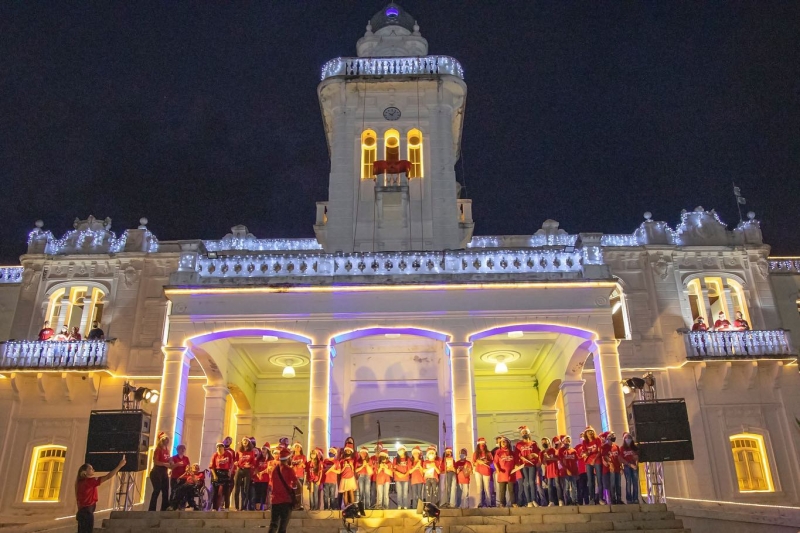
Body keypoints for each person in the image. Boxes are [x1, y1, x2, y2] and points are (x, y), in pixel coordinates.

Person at [75, 456, 126, 533]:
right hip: (87, 512)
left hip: (82, 512)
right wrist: (120, 466)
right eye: (91, 469)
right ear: (84, 472)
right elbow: (108, 476)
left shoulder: (79, 483)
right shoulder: (89, 482)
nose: (93, 470)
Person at [268, 448, 298, 533]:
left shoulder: (274, 470)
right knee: (283, 526)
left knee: (273, 524)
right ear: (288, 458)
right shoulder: (289, 469)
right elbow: (295, 483)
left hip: (275, 501)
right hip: (286, 500)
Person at [515, 426, 541, 507]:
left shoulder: (533, 443)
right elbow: (516, 455)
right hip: (524, 465)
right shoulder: (518, 444)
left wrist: (534, 455)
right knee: (526, 483)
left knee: (532, 482)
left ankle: (534, 500)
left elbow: (538, 454)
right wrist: (519, 461)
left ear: (528, 433)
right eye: (523, 433)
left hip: (532, 464)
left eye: (525, 432)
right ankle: (528, 501)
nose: (524, 434)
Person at [149, 432, 171, 511]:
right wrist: (164, 464)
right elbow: (156, 461)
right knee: (157, 489)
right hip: (157, 471)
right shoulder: (158, 450)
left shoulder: (167, 450)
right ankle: (152, 509)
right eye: (165, 440)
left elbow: (168, 461)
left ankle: (164, 508)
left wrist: (170, 463)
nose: (167, 442)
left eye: (167, 440)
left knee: (165, 491)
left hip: (164, 472)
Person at [210, 442, 234, 511]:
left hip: (225, 472)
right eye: (218, 447)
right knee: (215, 491)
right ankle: (214, 507)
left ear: (223, 448)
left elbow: (232, 463)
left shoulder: (228, 454)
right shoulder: (215, 455)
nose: (219, 449)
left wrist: (230, 472)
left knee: (227, 491)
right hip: (217, 472)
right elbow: (212, 466)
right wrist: (214, 475)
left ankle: (226, 507)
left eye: (220, 447)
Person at [581, 427, 603, 505]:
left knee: (599, 480)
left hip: (597, 461)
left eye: (591, 431)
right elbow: (584, 452)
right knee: (590, 481)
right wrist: (584, 454)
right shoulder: (584, 442)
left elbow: (600, 451)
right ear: (586, 434)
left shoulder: (597, 440)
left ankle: (600, 498)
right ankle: (592, 499)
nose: (590, 433)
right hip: (588, 462)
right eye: (588, 432)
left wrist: (594, 459)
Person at [493, 436, 516, 508]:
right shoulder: (498, 452)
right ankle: (502, 503)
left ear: (508, 443)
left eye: (505, 441)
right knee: (502, 490)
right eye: (502, 442)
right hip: (502, 474)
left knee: (511, 490)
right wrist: (498, 469)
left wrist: (516, 468)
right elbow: (495, 462)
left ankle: (513, 503)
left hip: (511, 474)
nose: (503, 443)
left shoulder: (512, 452)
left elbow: (516, 462)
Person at [234, 437, 256, 510]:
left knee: (245, 490)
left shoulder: (252, 452)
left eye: (246, 441)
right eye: (244, 440)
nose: (245, 442)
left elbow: (253, 462)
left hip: (247, 471)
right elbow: (235, 460)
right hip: (239, 470)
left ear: (249, 443)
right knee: (237, 489)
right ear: (242, 442)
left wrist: (250, 465)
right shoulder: (239, 451)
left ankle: (243, 507)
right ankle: (237, 507)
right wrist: (236, 463)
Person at [601, 432, 621, 505]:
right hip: (610, 469)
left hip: (617, 468)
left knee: (618, 485)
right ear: (607, 438)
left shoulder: (616, 446)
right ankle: (613, 499)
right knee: (612, 485)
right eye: (611, 436)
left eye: (614, 435)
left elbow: (619, 457)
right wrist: (609, 464)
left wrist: (621, 467)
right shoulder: (604, 447)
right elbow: (604, 457)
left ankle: (619, 499)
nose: (613, 437)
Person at [542, 436, 563, 506]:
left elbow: (558, 459)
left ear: (549, 442)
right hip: (548, 471)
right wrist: (545, 458)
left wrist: (549, 458)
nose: (544, 443)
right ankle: (551, 501)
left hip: (555, 470)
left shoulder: (553, 450)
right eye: (543, 442)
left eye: (545, 441)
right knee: (549, 486)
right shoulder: (542, 452)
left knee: (558, 485)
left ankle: (560, 500)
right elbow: (544, 463)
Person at [619, 433, 639, 504]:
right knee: (628, 482)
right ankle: (629, 499)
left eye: (629, 438)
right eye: (626, 438)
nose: (628, 439)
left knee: (635, 482)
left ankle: (635, 498)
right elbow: (620, 459)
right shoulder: (622, 448)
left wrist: (635, 459)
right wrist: (628, 464)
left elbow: (637, 456)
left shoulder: (634, 448)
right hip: (627, 466)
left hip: (634, 465)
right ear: (624, 439)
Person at [472, 437, 492, 508]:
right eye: (480, 444)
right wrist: (478, 462)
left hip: (486, 471)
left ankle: (488, 503)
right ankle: (480, 502)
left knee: (487, 487)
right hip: (478, 471)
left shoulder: (488, 453)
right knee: (479, 487)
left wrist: (486, 462)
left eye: (483, 444)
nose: (482, 446)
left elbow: (491, 462)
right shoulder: (475, 453)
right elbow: (473, 463)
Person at [253, 443, 273, 511]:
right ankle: (257, 507)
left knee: (264, 493)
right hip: (258, 479)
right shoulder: (258, 458)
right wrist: (257, 473)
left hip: (266, 479)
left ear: (267, 450)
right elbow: (255, 467)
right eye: (262, 449)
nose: (263, 450)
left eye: (264, 449)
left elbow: (269, 468)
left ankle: (264, 507)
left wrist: (262, 473)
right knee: (257, 492)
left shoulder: (270, 459)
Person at [559, 436, 578, 505]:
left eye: (569, 440)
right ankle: (567, 501)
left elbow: (576, 461)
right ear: (563, 442)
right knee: (566, 487)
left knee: (574, 486)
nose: (567, 441)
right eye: (566, 440)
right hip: (565, 472)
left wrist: (576, 472)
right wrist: (566, 469)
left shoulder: (574, 451)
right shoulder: (561, 450)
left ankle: (574, 500)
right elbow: (561, 461)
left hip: (573, 471)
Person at [337, 443, 357, 507]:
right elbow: (340, 471)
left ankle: (353, 506)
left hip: (351, 477)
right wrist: (344, 466)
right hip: (344, 477)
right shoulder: (342, 461)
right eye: (346, 450)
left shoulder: (353, 460)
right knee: (345, 493)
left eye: (349, 450)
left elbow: (354, 470)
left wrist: (351, 466)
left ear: (351, 451)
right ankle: (346, 506)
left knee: (351, 492)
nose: (348, 451)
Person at [393, 445, 410, 509]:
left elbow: (409, 469)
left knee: (405, 493)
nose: (400, 451)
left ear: (404, 451)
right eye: (399, 450)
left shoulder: (408, 459)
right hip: (398, 478)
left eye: (401, 450)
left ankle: (405, 505)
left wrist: (404, 475)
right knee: (399, 493)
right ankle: (399, 505)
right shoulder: (395, 459)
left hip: (405, 478)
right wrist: (399, 474)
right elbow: (393, 469)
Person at [290, 442, 307, 510]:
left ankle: (299, 505)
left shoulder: (303, 456)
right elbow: (290, 465)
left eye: (298, 447)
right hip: (293, 475)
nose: (297, 448)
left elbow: (303, 465)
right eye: (296, 447)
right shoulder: (292, 457)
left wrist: (300, 464)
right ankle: (293, 505)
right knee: (293, 491)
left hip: (300, 475)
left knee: (299, 490)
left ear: (300, 448)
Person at [575, 432, 589, 505]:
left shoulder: (588, 445)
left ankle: (588, 501)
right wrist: (581, 456)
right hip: (580, 470)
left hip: (589, 469)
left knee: (587, 487)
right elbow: (575, 457)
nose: (582, 437)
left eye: (583, 436)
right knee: (580, 487)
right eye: (581, 436)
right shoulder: (577, 447)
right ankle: (580, 502)